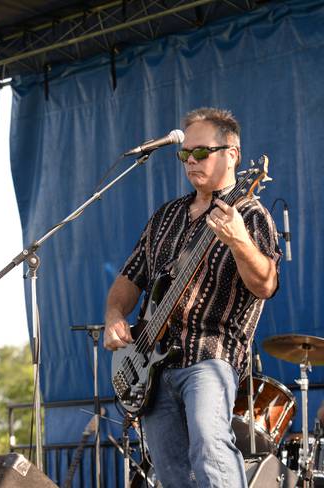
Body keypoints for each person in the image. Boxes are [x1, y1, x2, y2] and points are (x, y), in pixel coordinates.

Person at [104, 107, 281, 487]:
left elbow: (265, 284)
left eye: (201, 152)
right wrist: (115, 314)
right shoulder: (165, 216)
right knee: (170, 471)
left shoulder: (250, 214)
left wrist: (238, 242)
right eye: (185, 154)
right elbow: (128, 279)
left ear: (232, 154)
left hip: (211, 357)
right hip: (151, 367)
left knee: (210, 446)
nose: (190, 161)